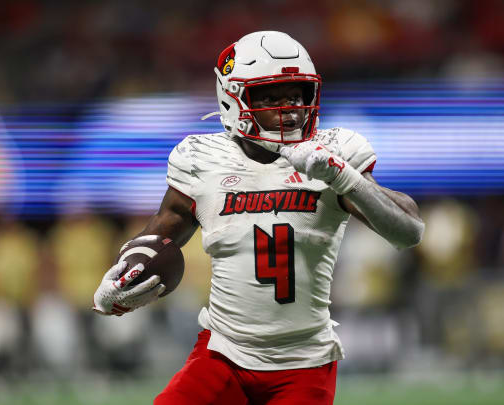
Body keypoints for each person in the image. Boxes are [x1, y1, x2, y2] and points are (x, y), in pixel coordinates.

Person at [92, 31, 424, 405]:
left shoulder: (333, 152)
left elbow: (408, 230)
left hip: (304, 361)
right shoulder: (203, 158)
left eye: (297, 94)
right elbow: (159, 236)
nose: (291, 108)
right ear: (232, 99)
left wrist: (340, 175)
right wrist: (122, 274)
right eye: (271, 96)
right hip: (224, 352)